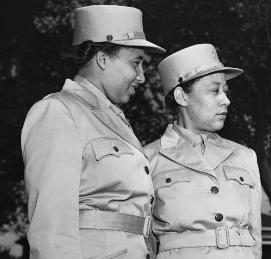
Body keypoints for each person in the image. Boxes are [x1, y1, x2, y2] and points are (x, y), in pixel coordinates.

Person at [21, 5, 165, 259]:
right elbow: (51, 225)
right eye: (136, 63)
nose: (141, 77)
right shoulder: (58, 111)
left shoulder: (115, 119)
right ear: (103, 59)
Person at [144, 44, 262, 259]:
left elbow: (255, 238)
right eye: (214, 90)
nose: (226, 100)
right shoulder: (147, 159)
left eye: (225, 91)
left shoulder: (245, 156)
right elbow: (143, 243)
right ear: (182, 96)